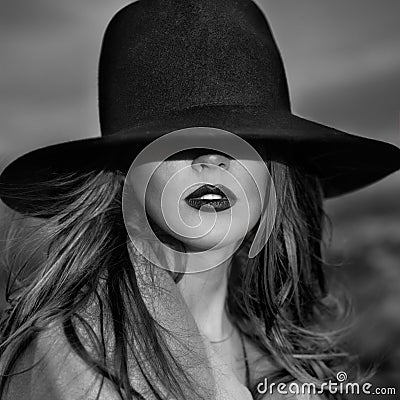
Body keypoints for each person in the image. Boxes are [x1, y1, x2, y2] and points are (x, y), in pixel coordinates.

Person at [0, 0, 399, 399]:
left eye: (246, 135)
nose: (212, 156)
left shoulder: (292, 365)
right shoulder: (71, 361)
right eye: (175, 137)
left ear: (275, 167)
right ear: (124, 170)